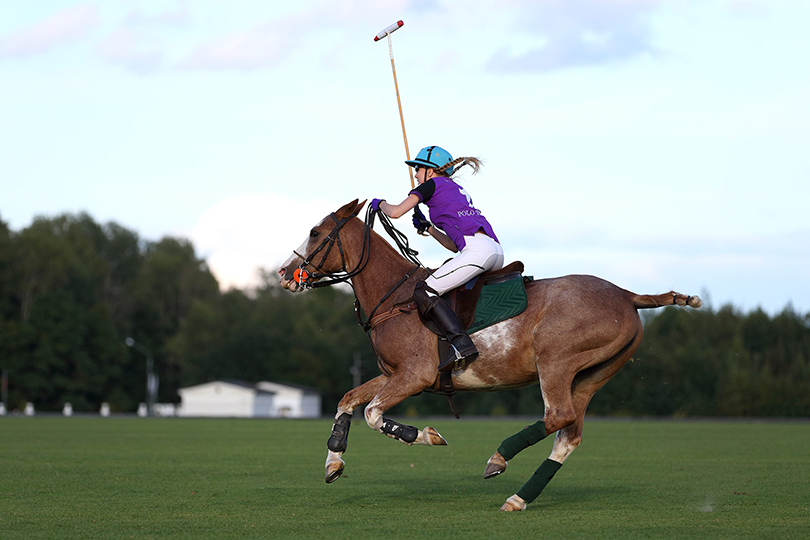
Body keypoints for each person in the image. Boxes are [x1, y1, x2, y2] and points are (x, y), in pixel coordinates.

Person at [370, 145, 504, 371]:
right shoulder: (454, 189)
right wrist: (429, 229)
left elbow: (394, 212)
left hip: (477, 251)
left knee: (424, 291)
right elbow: (453, 246)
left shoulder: (430, 185)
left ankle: (462, 345)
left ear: (430, 171)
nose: (415, 174)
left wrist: (379, 203)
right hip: (493, 250)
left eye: (418, 169)